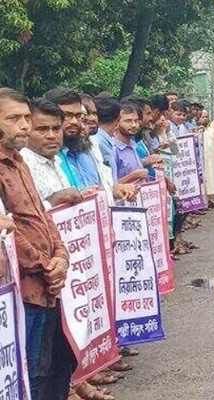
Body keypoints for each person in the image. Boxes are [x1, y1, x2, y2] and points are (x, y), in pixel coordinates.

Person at [0, 88, 73, 400]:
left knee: (57, 365)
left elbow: (42, 216)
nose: (24, 125)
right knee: (28, 375)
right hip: (23, 290)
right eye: (14, 118)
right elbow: (8, 230)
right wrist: (47, 267)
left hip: (46, 286)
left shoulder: (20, 162)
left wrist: (61, 255)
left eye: (27, 117)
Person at [110, 101, 148, 183]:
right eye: (128, 121)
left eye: (136, 121)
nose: (134, 125)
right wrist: (133, 176)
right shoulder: (113, 149)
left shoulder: (133, 145)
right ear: (117, 123)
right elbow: (111, 186)